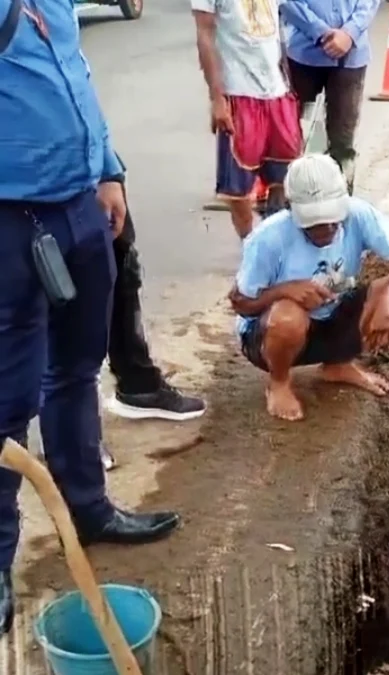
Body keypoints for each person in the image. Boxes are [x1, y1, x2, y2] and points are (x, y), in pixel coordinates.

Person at [0, 0, 180, 634]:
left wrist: (109, 171)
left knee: (77, 368)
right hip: (9, 220)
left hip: (79, 210)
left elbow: (76, 74)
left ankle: (88, 507)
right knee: (6, 400)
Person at [228, 154, 389, 421]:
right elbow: (240, 303)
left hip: (333, 313)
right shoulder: (269, 238)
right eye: (315, 224)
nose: (328, 228)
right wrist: (284, 291)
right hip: (271, 335)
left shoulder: (357, 214)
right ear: (290, 208)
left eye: (334, 219)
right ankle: (279, 382)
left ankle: (338, 364)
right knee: (288, 315)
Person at [99, 180, 208, 471]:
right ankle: (71, 437)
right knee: (57, 296)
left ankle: (138, 385)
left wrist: (108, 173)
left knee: (120, 266)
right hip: (29, 176)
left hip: (83, 167)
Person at [192, 0, 303, 239]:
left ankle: (276, 241)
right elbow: (204, 34)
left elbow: (280, 26)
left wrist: (288, 83)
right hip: (239, 94)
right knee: (238, 190)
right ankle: (250, 245)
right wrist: (217, 98)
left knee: (285, 175)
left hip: (278, 92)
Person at [279, 0, 382, 192]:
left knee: (343, 140)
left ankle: (341, 201)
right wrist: (320, 32)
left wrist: (350, 33)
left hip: (351, 56)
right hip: (303, 55)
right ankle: (292, 197)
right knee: (291, 135)